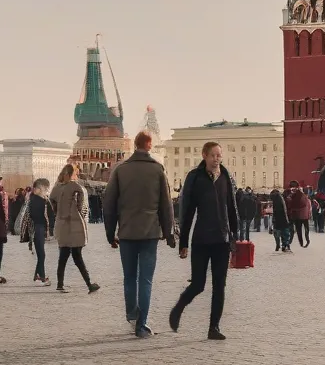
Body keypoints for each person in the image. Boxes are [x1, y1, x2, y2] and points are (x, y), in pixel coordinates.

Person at [103, 130, 175, 339]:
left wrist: (110, 233)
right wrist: (168, 232)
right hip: (150, 232)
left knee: (129, 277)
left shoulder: (120, 170)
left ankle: (131, 313)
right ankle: (141, 325)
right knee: (145, 280)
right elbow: (166, 205)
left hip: (126, 231)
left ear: (135, 145)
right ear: (150, 145)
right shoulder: (157, 170)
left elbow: (109, 204)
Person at [171, 141, 238, 340]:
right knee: (198, 284)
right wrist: (183, 242)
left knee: (220, 285)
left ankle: (214, 327)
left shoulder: (226, 177)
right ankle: (179, 308)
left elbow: (232, 209)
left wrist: (235, 237)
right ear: (204, 156)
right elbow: (188, 211)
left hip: (222, 240)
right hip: (201, 239)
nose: (217, 159)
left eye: (219, 155)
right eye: (213, 155)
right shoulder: (195, 177)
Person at [49, 164, 99, 293]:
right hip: (74, 224)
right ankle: (89, 284)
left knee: (63, 255)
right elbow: (82, 195)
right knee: (77, 256)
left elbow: (51, 200)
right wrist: (78, 208)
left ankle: (60, 283)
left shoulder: (56, 188)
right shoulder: (74, 185)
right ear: (71, 174)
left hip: (62, 224)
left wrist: (56, 210)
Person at [28, 179, 53, 285]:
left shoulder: (39, 199)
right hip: (38, 228)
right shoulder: (37, 200)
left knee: (41, 254)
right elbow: (41, 216)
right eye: (45, 188)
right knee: (41, 254)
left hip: (39, 228)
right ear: (39, 189)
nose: (46, 191)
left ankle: (38, 275)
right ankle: (40, 277)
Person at [287, 181, 311, 247]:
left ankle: (302, 243)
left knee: (299, 230)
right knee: (305, 230)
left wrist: (290, 203)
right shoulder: (307, 199)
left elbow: (297, 205)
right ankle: (306, 241)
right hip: (304, 217)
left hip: (299, 216)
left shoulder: (297, 196)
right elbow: (308, 208)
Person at [269, 186, 291, 251]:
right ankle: (285, 245)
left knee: (277, 232)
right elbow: (284, 209)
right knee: (285, 232)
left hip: (276, 218)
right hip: (283, 218)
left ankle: (278, 245)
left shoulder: (275, 199)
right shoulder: (280, 198)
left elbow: (275, 210)